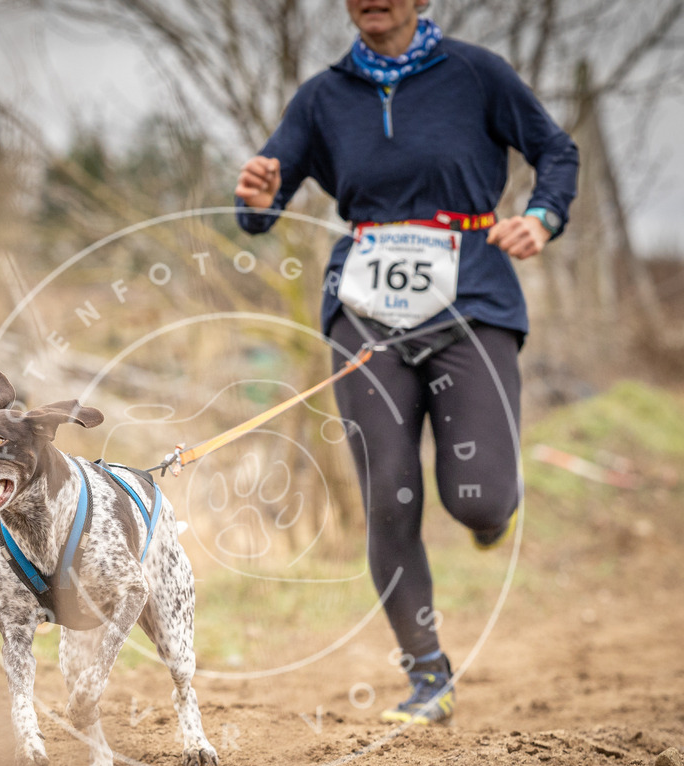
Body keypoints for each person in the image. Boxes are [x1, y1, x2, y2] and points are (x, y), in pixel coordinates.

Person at [234, 0, 578, 725]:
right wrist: (258, 200)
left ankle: (494, 514)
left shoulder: (475, 74)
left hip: (472, 299)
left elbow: (557, 151)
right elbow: (265, 198)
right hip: (364, 309)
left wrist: (542, 217)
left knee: (477, 495)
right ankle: (428, 674)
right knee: (389, 493)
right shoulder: (323, 96)